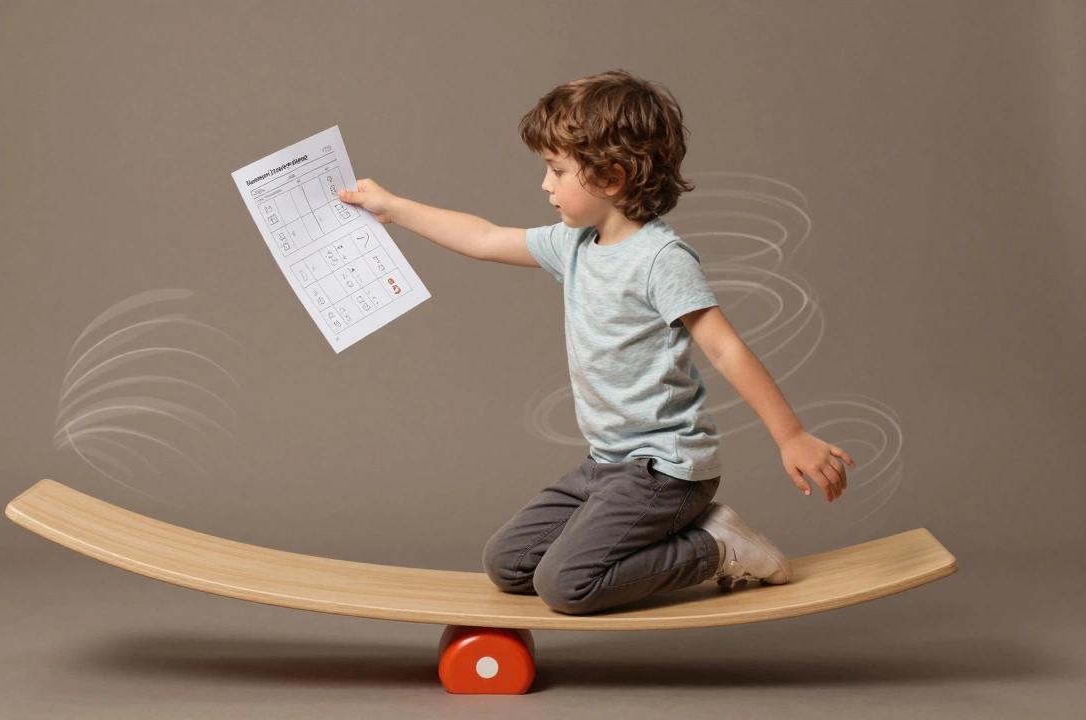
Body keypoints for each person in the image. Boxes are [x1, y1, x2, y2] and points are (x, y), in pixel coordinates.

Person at [336, 69, 855, 616]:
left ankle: (717, 546)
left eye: (557, 170)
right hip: (605, 465)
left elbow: (725, 349)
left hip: (666, 470)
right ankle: (682, 535)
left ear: (610, 176)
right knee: (509, 565)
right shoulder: (575, 245)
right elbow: (485, 238)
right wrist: (391, 207)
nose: (545, 184)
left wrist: (791, 434)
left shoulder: (661, 259)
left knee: (567, 586)